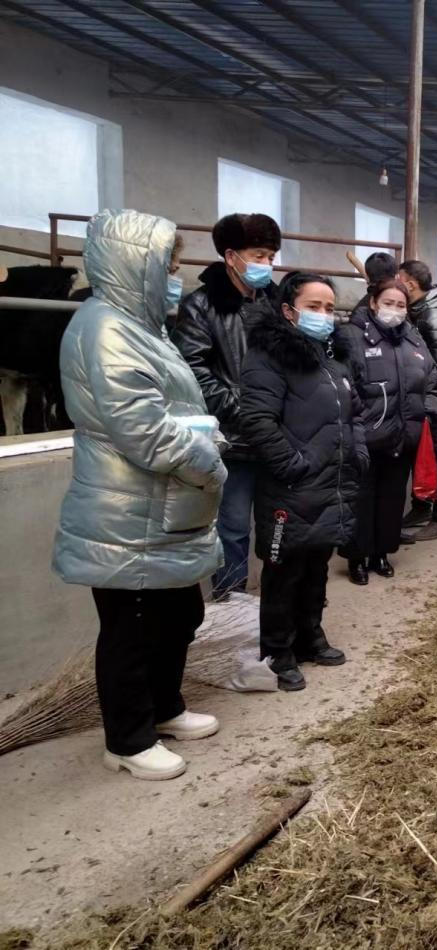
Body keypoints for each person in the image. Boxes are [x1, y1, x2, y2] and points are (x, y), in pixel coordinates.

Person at [53, 209, 225, 781]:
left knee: (178, 614)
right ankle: (127, 741)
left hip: (161, 503)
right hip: (125, 507)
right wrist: (209, 462)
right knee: (132, 627)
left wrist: (203, 437)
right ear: (135, 265)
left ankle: (164, 707)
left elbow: (169, 407)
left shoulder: (142, 326)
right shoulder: (105, 328)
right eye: (168, 267)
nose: (176, 278)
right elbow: (142, 429)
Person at [239, 272, 367, 691]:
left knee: (316, 566)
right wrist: (292, 465)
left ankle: (311, 636)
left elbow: (354, 412)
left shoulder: (334, 358)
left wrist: (358, 451)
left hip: (331, 482)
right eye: (313, 307)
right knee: (283, 571)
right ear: (289, 311)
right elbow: (258, 420)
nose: (323, 315)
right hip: (291, 486)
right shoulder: (268, 356)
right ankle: (278, 650)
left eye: (329, 308)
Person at [168, 212, 281, 601]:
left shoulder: (277, 302)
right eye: (258, 255)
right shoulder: (201, 306)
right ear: (231, 256)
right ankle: (232, 607)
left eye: (271, 257)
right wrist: (246, 410)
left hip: (278, 439)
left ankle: (278, 607)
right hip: (234, 440)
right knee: (232, 528)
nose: (266, 264)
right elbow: (193, 371)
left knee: (278, 527)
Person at [335, 277, 437, 585]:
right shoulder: (351, 336)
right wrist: (357, 421)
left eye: (401, 305)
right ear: (373, 303)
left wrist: (425, 413)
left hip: (402, 436)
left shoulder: (413, 338)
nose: (394, 310)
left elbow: (431, 377)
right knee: (361, 500)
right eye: (388, 303)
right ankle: (357, 557)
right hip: (365, 437)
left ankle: (381, 553)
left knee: (392, 499)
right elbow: (343, 383)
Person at [398, 260, 437, 540]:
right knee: (421, 457)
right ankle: (421, 507)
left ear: (410, 284)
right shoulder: (420, 311)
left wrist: (430, 407)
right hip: (424, 399)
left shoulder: (435, 317)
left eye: (399, 279)